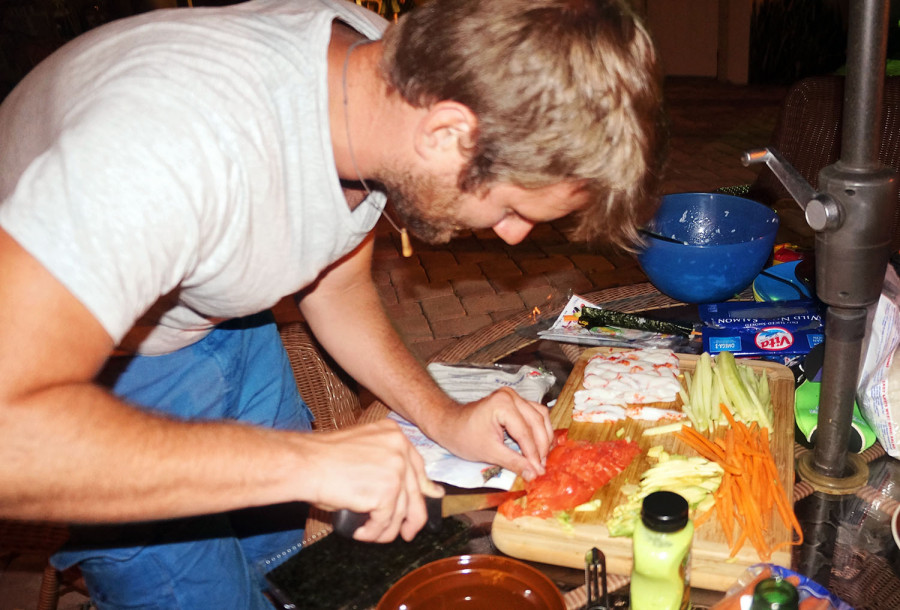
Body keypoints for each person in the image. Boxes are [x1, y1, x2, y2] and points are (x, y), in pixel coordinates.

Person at [0, 0, 664, 606]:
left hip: (225, 311)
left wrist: (445, 417)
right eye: (514, 207)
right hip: (97, 369)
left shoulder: (382, 75)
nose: (512, 233)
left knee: (291, 570)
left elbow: (332, 278)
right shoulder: (167, 151)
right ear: (446, 134)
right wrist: (305, 462)